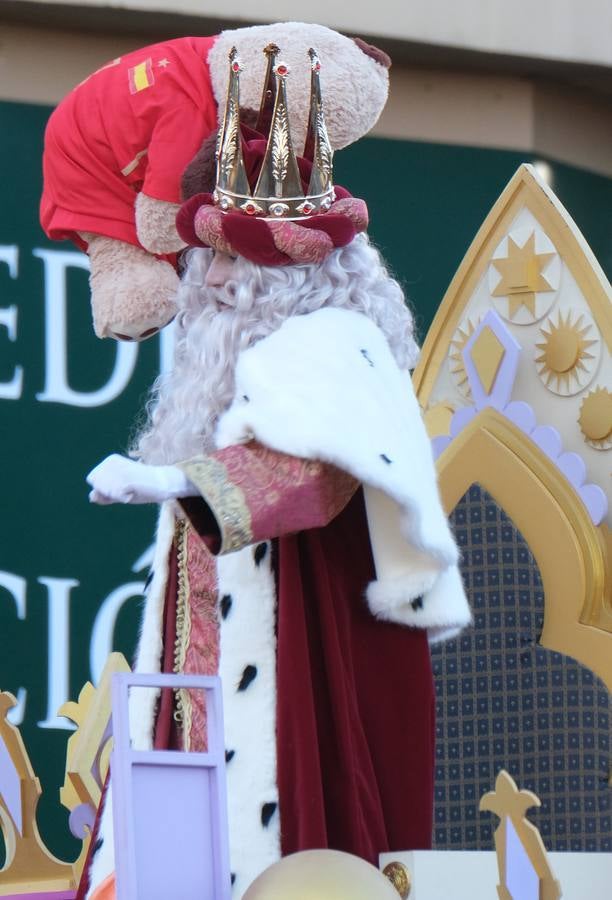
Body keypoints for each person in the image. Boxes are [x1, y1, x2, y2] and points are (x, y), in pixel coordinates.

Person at [84, 46, 471, 899]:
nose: (212, 282)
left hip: (308, 668)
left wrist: (169, 482)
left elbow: (313, 480)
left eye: (236, 261)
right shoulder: (227, 371)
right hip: (211, 689)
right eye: (209, 257)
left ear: (299, 273)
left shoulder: (339, 347)